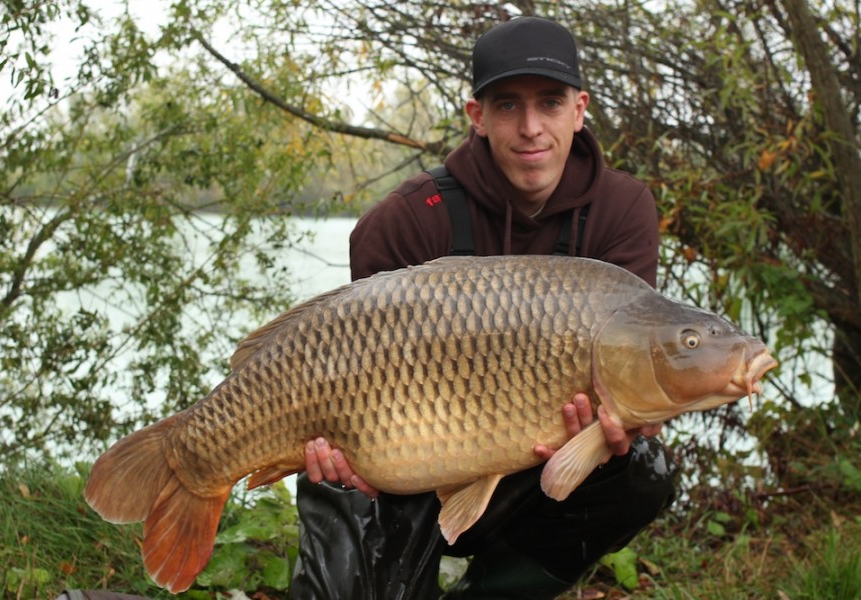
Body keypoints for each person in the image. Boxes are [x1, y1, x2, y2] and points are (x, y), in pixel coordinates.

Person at [290, 16, 678, 600]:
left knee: (641, 471)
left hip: (535, 467)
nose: (530, 128)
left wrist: (618, 424)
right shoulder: (408, 218)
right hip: (406, 459)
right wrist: (349, 460)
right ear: (477, 116)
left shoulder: (621, 210)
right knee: (339, 484)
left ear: (579, 109)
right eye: (506, 106)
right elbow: (351, 370)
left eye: (550, 103)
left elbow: (635, 366)